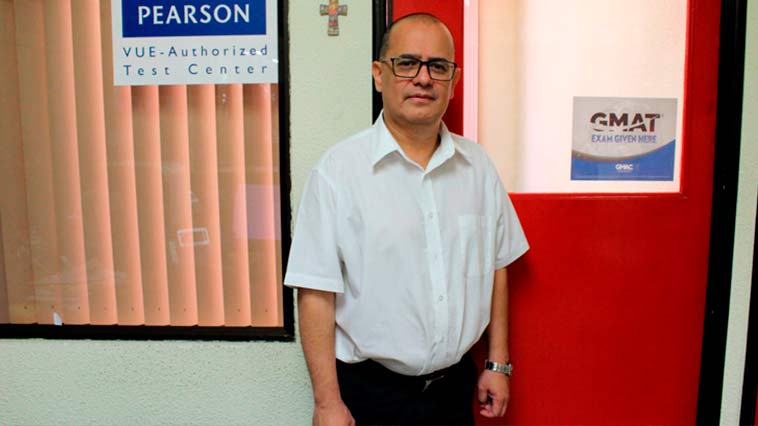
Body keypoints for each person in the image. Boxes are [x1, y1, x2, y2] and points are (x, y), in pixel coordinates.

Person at [284, 12, 529, 426]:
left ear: (453, 81)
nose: (423, 78)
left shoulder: (478, 168)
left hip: (454, 391)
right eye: (407, 63)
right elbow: (315, 292)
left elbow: (497, 265)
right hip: (370, 395)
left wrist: (497, 362)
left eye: (438, 66)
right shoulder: (338, 172)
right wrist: (327, 402)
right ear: (379, 75)